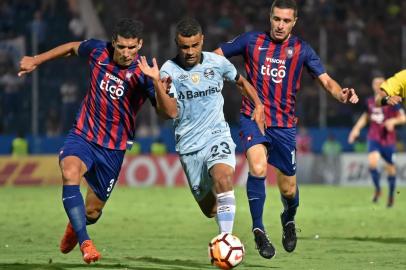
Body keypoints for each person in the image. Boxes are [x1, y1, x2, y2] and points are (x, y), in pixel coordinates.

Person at [18, 18, 173, 264]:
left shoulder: (145, 75)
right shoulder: (98, 50)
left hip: (113, 149)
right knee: (70, 172)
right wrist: (35, 60)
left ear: (140, 44)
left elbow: (169, 113)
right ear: (113, 42)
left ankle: (76, 225)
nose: (126, 53)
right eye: (121, 47)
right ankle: (85, 242)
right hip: (83, 135)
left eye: (132, 47)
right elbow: (71, 47)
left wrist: (157, 83)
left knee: (92, 211)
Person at [214, 0, 359, 259]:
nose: (280, 25)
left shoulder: (302, 49)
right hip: (253, 117)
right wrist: (231, 78)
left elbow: (326, 81)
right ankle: (258, 229)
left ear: (294, 22)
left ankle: (288, 219)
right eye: (276, 19)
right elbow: (215, 57)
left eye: (286, 21)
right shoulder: (251, 41)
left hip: (284, 126)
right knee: (257, 168)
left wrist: (342, 94)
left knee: (288, 189)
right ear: (270, 18)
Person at [138, 17, 265, 237]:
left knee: (223, 177)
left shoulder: (217, 63)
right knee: (210, 209)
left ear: (202, 40)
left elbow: (241, 81)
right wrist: (158, 86)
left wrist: (259, 105)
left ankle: (226, 240)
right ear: (177, 44)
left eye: (194, 45)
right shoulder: (169, 71)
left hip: (217, 134)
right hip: (189, 146)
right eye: (184, 47)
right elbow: (169, 113)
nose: (189, 51)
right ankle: (224, 227)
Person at [350, 76, 406, 207]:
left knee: (390, 170)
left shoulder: (392, 101)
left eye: (381, 83)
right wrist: (356, 129)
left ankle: (391, 196)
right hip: (374, 137)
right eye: (376, 83)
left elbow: (403, 118)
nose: (378, 85)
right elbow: (366, 117)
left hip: (388, 140)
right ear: (373, 86)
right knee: (373, 163)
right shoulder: (370, 102)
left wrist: (393, 121)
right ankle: (378, 190)